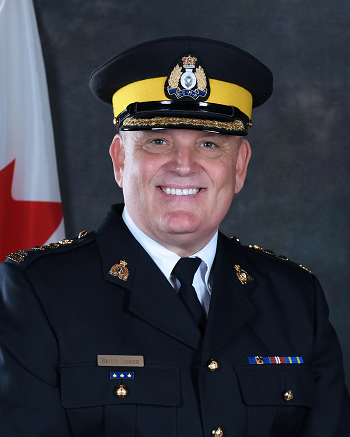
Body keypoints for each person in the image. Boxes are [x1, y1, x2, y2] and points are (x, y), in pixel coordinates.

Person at [0, 36, 349, 437]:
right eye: (158, 141)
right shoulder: (39, 292)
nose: (184, 166)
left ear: (240, 167)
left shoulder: (295, 297)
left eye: (210, 144)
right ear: (119, 160)